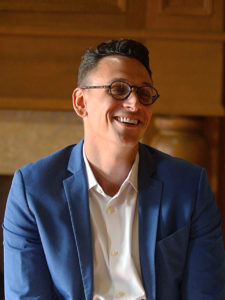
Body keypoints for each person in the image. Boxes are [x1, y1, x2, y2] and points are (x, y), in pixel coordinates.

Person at [3, 39, 225, 300]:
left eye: (144, 94)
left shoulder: (190, 186)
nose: (135, 104)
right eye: (118, 89)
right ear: (81, 102)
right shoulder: (32, 191)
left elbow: (206, 294)